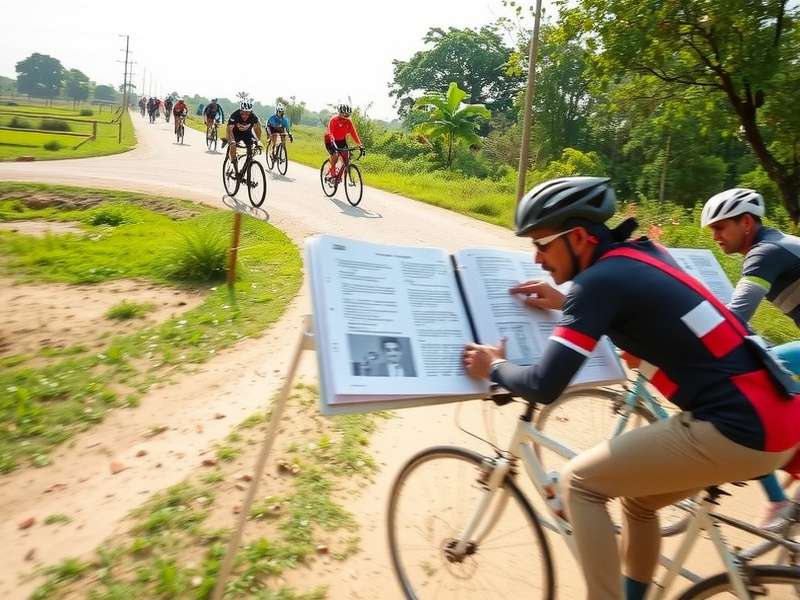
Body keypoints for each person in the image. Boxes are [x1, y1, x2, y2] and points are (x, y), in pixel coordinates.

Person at [462, 176, 800, 600]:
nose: (536, 257)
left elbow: (544, 385)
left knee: (579, 483)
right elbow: (640, 302)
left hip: (736, 425)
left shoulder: (598, 283)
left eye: (543, 244)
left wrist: (494, 366)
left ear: (580, 237)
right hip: (780, 413)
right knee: (639, 503)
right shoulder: (643, 253)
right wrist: (566, 301)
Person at [702, 187, 800, 526]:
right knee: (768, 369)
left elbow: (735, 317)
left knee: (758, 388)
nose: (715, 236)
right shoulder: (774, 245)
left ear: (746, 223)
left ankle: (777, 501)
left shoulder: (764, 253)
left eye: (720, 227)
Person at [324, 104, 363, 178]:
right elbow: (330, 132)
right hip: (330, 140)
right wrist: (333, 142)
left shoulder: (348, 121)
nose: (346, 116)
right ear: (340, 113)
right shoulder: (333, 120)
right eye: (345, 114)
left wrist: (359, 144)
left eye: (348, 114)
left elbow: (353, 133)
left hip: (341, 140)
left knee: (346, 158)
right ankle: (332, 169)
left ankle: (341, 175)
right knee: (335, 155)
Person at [225, 99, 262, 164]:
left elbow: (258, 130)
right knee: (233, 145)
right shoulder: (235, 115)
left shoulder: (253, 116)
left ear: (250, 112)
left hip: (247, 134)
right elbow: (229, 129)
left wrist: (257, 141)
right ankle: (233, 163)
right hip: (235, 133)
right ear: (240, 111)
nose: (245, 116)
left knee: (252, 148)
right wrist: (231, 141)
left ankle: (248, 164)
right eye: (242, 113)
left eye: (247, 113)